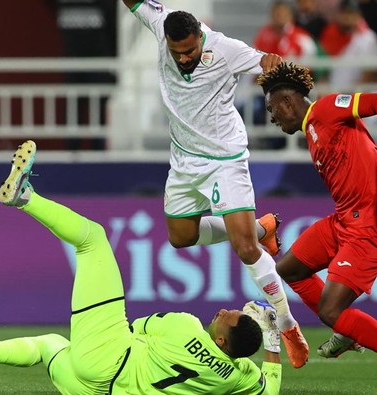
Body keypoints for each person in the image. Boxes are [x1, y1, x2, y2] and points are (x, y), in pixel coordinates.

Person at [0, 140, 283, 395]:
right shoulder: (235, 378)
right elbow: (270, 391)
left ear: (221, 339)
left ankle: (24, 197)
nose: (223, 310)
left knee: (92, 239)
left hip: (112, 356)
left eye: (227, 317)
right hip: (97, 390)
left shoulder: (186, 327)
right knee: (48, 345)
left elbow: (137, 326)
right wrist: (272, 343)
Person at [120, 0, 309, 369]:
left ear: (200, 37)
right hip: (183, 161)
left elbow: (267, 62)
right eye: (177, 53)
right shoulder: (161, 27)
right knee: (180, 238)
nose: (184, 58)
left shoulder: (225, 49)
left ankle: (287, 323)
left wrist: (271, 60)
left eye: (190, 50)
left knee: (244, 248)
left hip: (224, 158)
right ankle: (260, 228)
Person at [258, 62, 377, 395]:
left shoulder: (327, 109)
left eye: (272, 109)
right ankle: (344, 329)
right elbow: (359, 163)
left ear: (286, 102)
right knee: (288, 268)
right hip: (347, 219)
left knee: (330, 309)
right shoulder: (313, 132)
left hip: (366, 224)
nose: (272, 118)